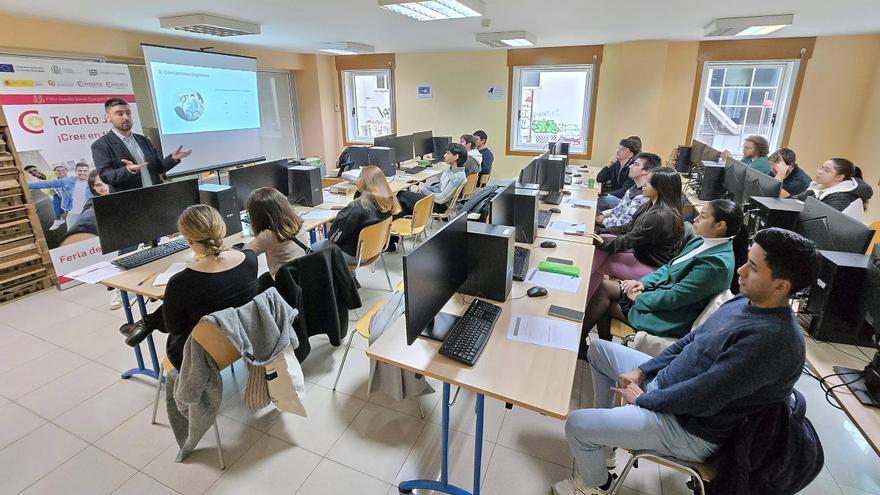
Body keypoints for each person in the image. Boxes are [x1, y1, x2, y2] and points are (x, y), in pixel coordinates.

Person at [552, 228, 819, 495]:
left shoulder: (772, 341)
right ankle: (605, 443)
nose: (740, 271)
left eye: (753, 266)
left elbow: (705, 395)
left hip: (689, 427)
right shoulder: (745, 302)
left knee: (576, 425)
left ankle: (595, 485)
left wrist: (643, 399)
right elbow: (690, 341)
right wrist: (643, 371)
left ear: (781, 285)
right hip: (667, 389)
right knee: (599, 350)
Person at [582, 199, 741, 346]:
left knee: (606, 302)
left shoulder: (716, 264)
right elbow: (669, 267)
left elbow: (676, 297)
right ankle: (586, 343)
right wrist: (642, 283)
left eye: (703, 217)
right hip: (661, 295)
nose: (695, 219)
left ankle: (593, 346)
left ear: (720, 225)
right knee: (605, 288)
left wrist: (640, 298)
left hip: (672, 316)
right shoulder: (702, 240)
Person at [122, 205, 259, 370]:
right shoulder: (250, 258)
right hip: (243, 340)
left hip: (201, 353)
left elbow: (174, 328)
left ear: (187, 239)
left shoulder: (181, 281)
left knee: (181, 308)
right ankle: (146, 324)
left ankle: (145, 324)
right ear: (221, 227)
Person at [586, 167, 685, 301]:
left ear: (660, 188)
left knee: (597, 260)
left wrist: (599, 241)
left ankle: (580, 294)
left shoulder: (659, 216)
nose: (643, 184)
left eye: (648, 182)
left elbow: (628, 240)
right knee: (600, 247)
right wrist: (600, 232)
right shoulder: (652, 204)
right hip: (642, 253)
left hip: (651, 267)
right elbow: (629, 227)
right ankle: (582, 294)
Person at [91, 98, 192, 192]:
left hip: (155, 195)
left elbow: (158, 168)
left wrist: (172, 159)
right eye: (120, 114)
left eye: (128, 113)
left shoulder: (143, 140)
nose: (126, 117)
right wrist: (127, 170)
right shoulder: (101, 145)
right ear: (108, 118)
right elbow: (105, 176)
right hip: (129, 201)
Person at [312, 165, 402, 264]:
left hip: (353, 255)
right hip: (373, 251)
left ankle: (340, 277)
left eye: (359, 176)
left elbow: (333, 238)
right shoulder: (388, 202)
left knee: (313, 249)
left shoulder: (356, 207)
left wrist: (340, 218)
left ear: (363, 182)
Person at [244, 187, 310, 290]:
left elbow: (245, 254)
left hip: (285, 285)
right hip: (305, 276)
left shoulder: (268, 235)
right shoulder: (297, 222)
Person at [595, 152, 661, 228]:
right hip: (611, 224)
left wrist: (603, 221)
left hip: (616, 232)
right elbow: (618, 209)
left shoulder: (642, 196)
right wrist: (604, 214)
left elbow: (623, 225)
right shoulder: (633, 188)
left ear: (646, 171)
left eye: (636, 164)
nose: (630, 166)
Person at [792, 158, 874, 212]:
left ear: (839, 177)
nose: (819, 172)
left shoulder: (842, 197)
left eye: (826, 170)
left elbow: (818, 219)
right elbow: (792, 201)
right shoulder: (818, 186)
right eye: (821, 167)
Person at [27, 162, 91, 228]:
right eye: (80, 171)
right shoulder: (64, 181)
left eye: (85, 171)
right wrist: (26, 185)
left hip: (86, 208)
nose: (82, 173)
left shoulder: (86, 180)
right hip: (72, 209)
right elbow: (44, 184)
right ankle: (59, 219)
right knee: (73, 228)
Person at [596, 136, 641, 211]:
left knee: (596, 203)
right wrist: (610, 163)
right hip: (612, 195)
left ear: (630, 155)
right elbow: (599, 179)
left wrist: (603, 195)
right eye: (618, 148)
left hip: (623, 200)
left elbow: (623, 192)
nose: (618, 151)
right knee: (594, 202)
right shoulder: (616, 164)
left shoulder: (632, 169)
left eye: (622, 149)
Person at [24, 165, 66, 229]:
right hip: (56, 194)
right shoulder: (38, 182)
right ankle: (58, 219)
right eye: (31, 172)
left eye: (35, 170)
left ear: (39, 168)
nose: (34, 173)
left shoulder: (52, 173)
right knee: (55, 202)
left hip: (65, 190)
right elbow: (47, 192)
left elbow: (62, 178)